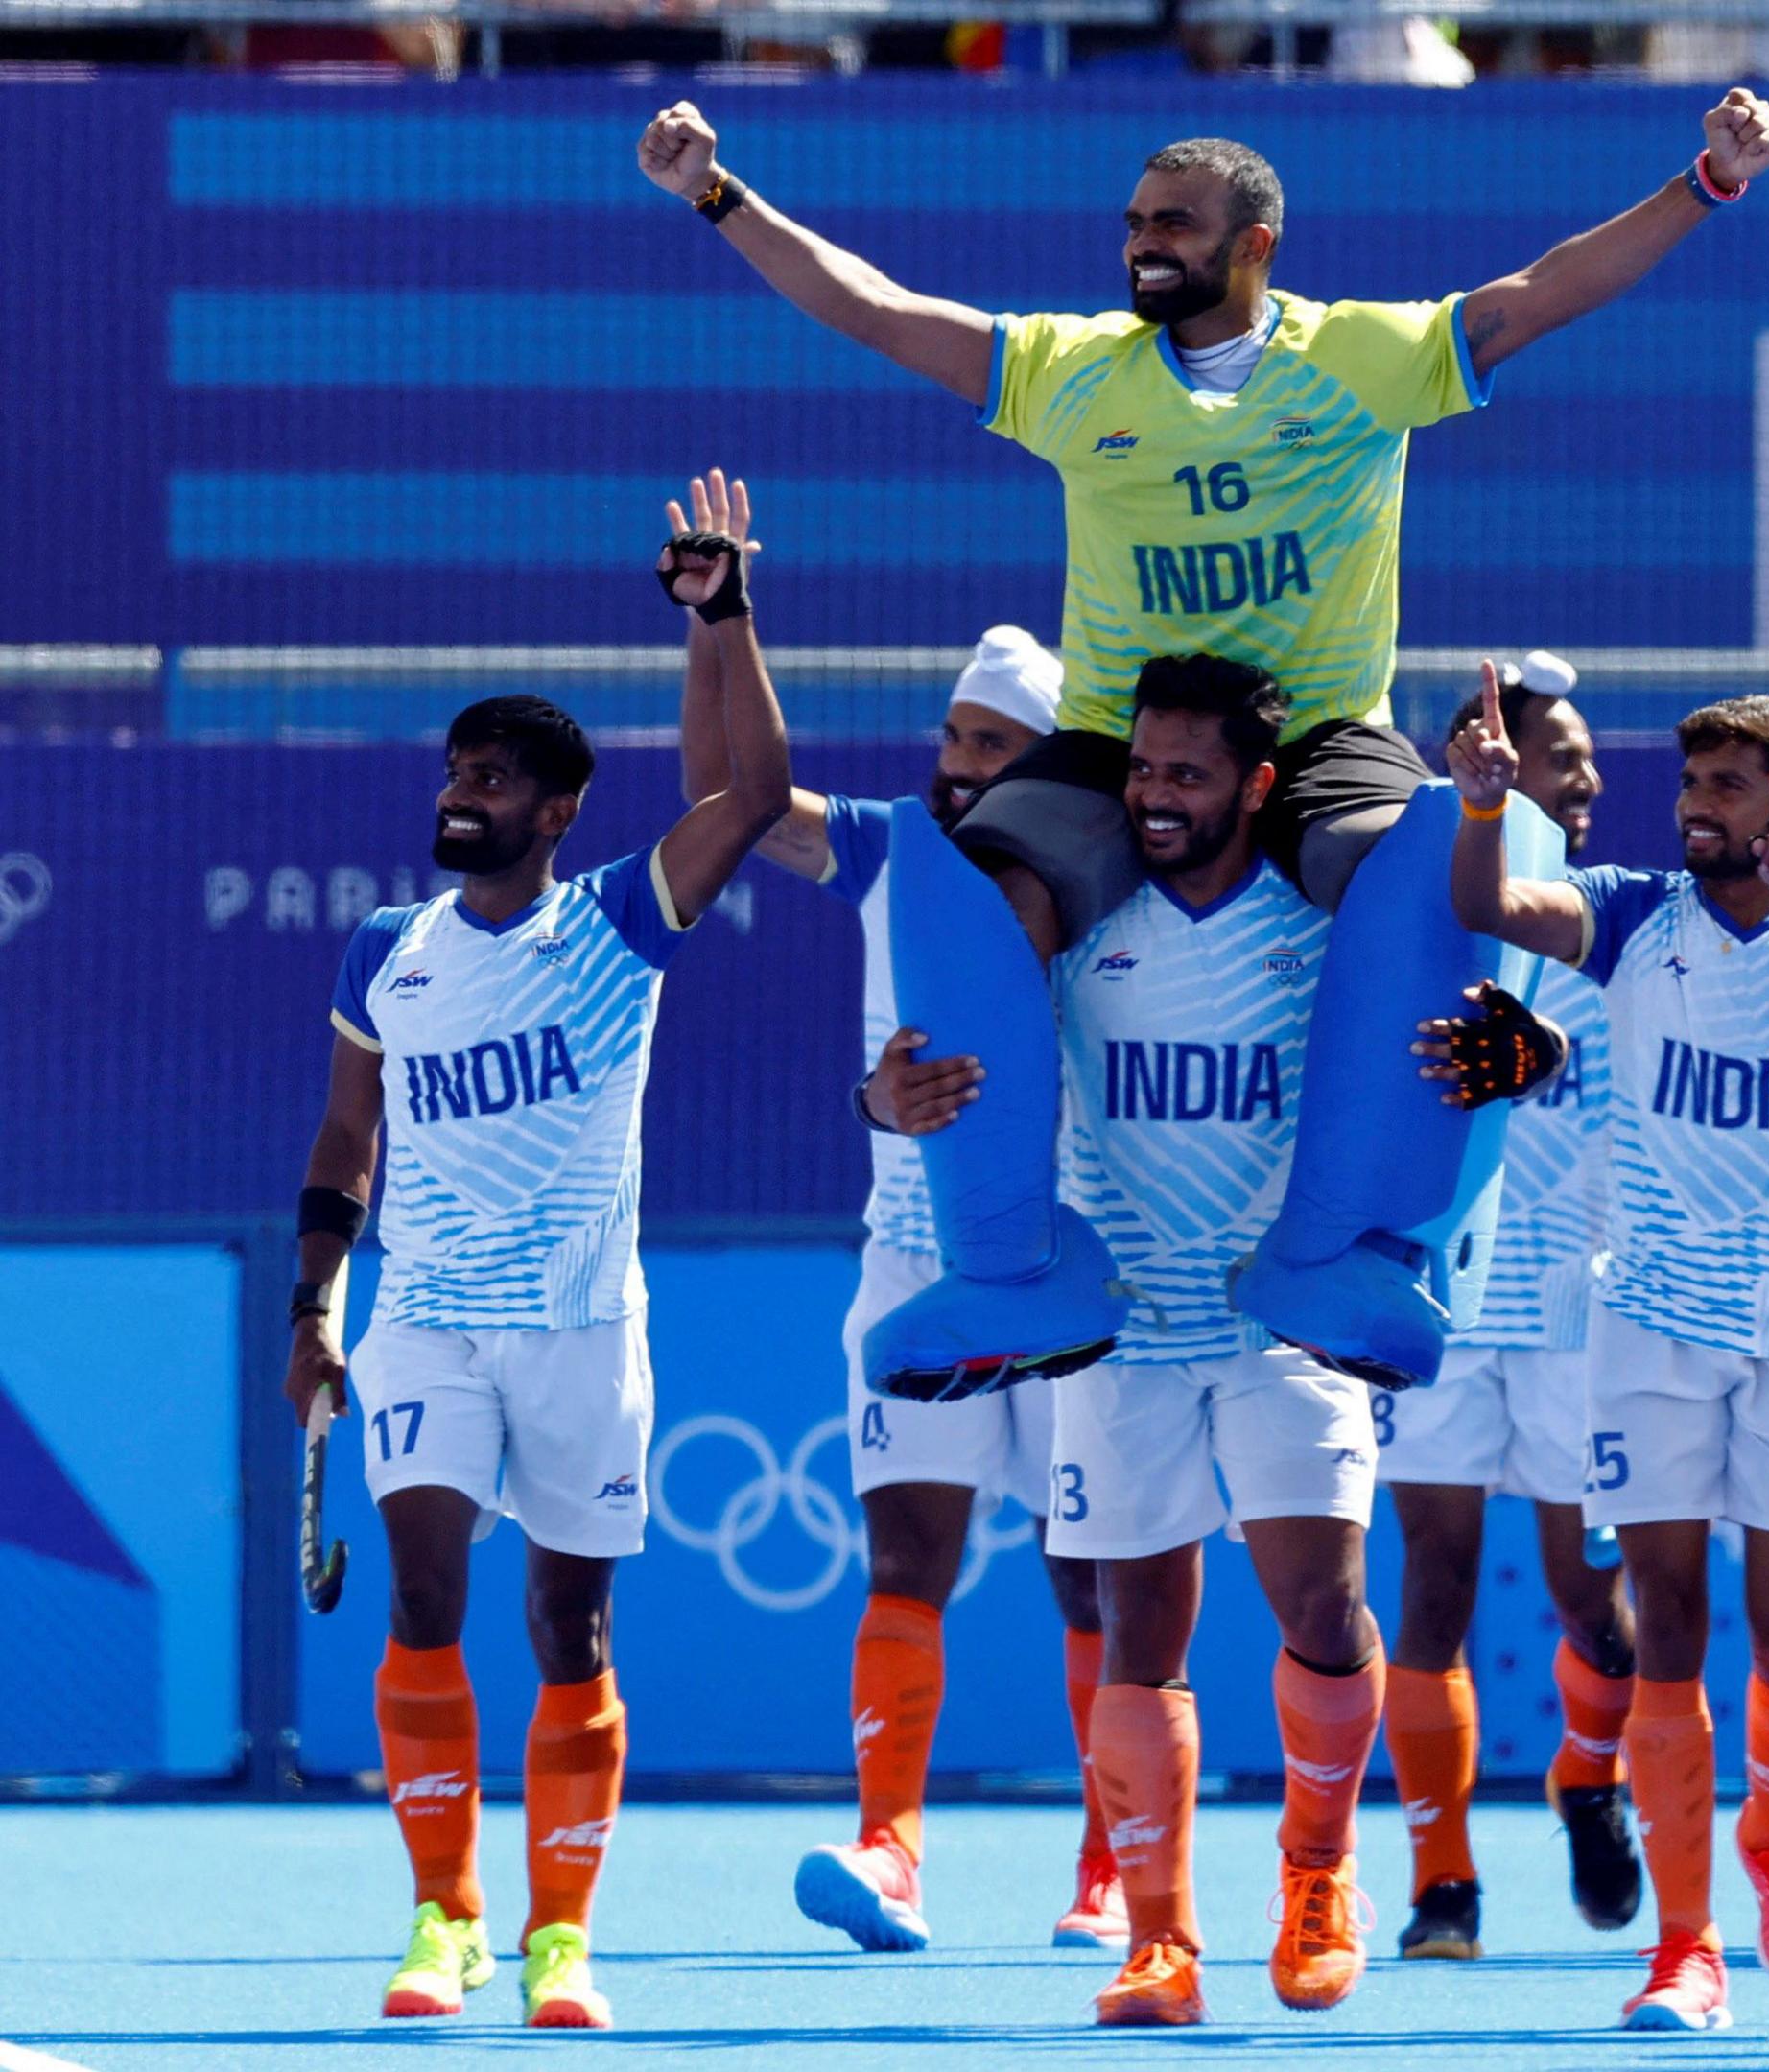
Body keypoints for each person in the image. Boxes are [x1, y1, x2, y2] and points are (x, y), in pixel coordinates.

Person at [635, 86, 1769, 1395]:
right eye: (1133, 221)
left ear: (1255, 243)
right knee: (958, 888)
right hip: (1121, 737)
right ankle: (1010, 1275)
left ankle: (1344, 1256)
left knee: (1434, 859)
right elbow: (879, 311)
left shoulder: (1359, 356)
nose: (1139, 243)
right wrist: (721, 198)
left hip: (1313, 735)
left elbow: (1542, 291)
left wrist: (1705, 183)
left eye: (1172, 223)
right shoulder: (1074, 372)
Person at [294, 479, 794, 2030]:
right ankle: (443, 1918)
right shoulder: (390, 949)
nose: (465, 792)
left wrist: (721, 619)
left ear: (557, 811)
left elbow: (752, 794)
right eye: (457, 769)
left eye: (497, 777)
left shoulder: (617, 927)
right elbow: (343, 1147)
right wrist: (318, 1303)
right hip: (426, 1321)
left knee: (570, 1630)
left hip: (584, 1328)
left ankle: (558, 1935)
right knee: (425, 1593)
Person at [862, 656, 1380, 2028]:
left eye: (1186, 774)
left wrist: (1518, 1049)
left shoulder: (1323, 937)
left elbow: (1436, 1050)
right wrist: (882, 1098)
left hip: (1282, 1330)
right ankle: (1163, 1943)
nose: (1154, 795)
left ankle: (1319, 1880)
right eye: (1142, 769)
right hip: (1125, 1335)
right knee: (1136, 1635)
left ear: (1256, 789)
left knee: (1321, 1615)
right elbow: (938, 1059)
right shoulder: (1072, 929)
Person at [1439, 692, 1769, 2031]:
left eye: (1725, 781)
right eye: (1691, 778)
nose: (1695, 799)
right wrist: (1482, 805)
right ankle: (1686, 1946)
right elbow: (1495, 908)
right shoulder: (1636, 909)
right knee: (1669, 1637)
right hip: (1645, 1321)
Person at [684, 625, 1118, 1954]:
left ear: (1049, 763)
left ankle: (1113, 1870)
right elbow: (730, 804)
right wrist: (722, 623)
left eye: (991, 745)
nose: (958, 766)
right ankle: (890, 1852)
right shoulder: (889, 850)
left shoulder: (1120, 874)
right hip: (915, 1265)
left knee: (1092, 1579)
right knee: (907, 1565)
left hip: (1074, 1275)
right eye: (951, 739)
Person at [1373, 654, 1645, 1960]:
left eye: (1589, 756)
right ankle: (1442, 1883)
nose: (1586, 777)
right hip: (1441, 1311)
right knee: (1432, 1589)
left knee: (1595, 1603)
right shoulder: (1403, 926)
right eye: (1561, 754)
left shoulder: (1622, 924)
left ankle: (1589, 1777)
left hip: (1584, 1322)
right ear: (1482, 770)